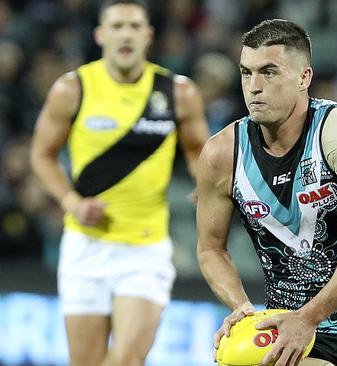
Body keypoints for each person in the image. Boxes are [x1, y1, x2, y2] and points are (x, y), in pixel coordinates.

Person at [196, 19, 337, 366]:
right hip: (301, 340)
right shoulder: (221, 154)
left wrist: (309, 317)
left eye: (269, 72)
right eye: (246, 73)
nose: (254, 86)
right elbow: (210, 248)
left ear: (304, 78)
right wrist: (241, 308)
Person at [30, 1, 209, 365]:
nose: (125, 34)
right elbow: (41, 155)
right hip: (85, 247)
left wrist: (204, 184)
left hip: (145, 251)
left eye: (133, 26)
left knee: (126, 361)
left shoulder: (177, 92)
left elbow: (198, 152)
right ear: (100, 35)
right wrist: (70, 202)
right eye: (116, 26)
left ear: (148, 35)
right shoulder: (73, 89)